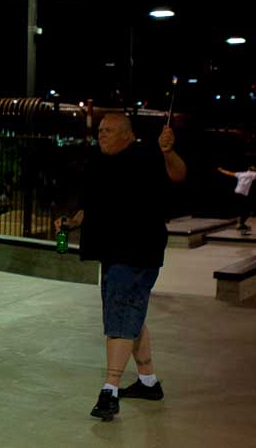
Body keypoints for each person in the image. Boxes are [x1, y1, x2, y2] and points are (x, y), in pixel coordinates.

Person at [54, 113, 186, 421]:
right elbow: (94, 204)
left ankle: (109, 390)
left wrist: (168, 152)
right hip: (113, 252)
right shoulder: (99, 162)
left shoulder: (146, 155)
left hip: (138, 251)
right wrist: (74, 221)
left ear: (127, 134)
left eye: (109, 131)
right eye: (100, 130)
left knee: (118, 315)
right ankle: (148, 381)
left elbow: (179, 174)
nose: (101, 135)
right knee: (131, 314)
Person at [215, 165, 256, 234]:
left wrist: (221, 170)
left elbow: (229, 173)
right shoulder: (252, 174)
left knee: (245, 210)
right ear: (253, 170)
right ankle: (240, 223)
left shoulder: (240, 174)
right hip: (242, 195)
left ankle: (241, 223)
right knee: (247, 211)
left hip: (236, 194)